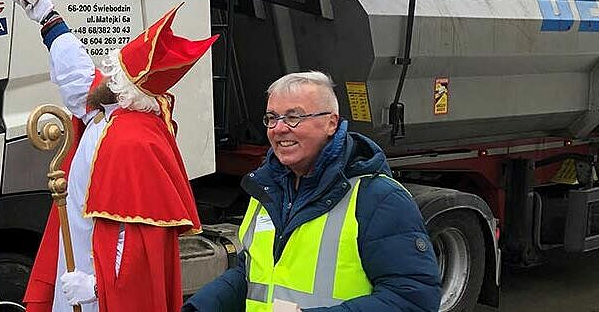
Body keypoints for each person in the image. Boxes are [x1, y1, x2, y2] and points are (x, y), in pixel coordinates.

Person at [14, 0, 219, 312]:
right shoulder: (112, 112)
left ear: (125, 88)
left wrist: (96, 287)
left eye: (113, 72)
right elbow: (79, 77)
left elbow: (137, 244)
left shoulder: (131, 142)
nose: (105, 75)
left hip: (98, 289)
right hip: (77, 266)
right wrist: (47, 16)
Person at [183, 72, 440, 312]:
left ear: (331, 123)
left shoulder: (378, 198)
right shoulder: (266, 189)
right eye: (272, 117)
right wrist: (200, 307)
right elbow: (250, 271)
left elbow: (413, 299)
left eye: (294, 117)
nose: (279, 128)